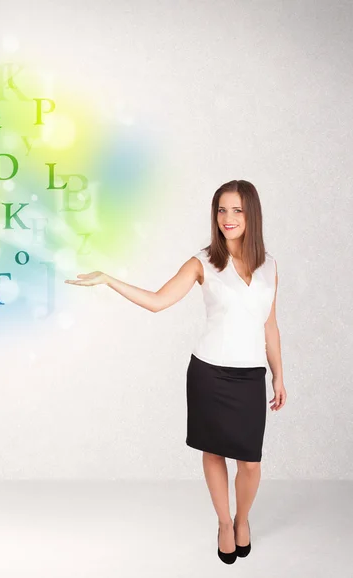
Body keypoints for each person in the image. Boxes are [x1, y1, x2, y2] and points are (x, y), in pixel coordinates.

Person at [65, 179, 287, 564]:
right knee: (213, 452)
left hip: (250, 377)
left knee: (250, 462)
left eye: (237, 210)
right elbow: (157, 301)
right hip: (209, 374)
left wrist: (279, 374)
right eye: (221, 210)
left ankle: (242, 518)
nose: (228, 218)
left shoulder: (270, 266)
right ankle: (223, 523)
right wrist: (109, 279)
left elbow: (269, 324)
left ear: (252, 214)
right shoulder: (203, 262)